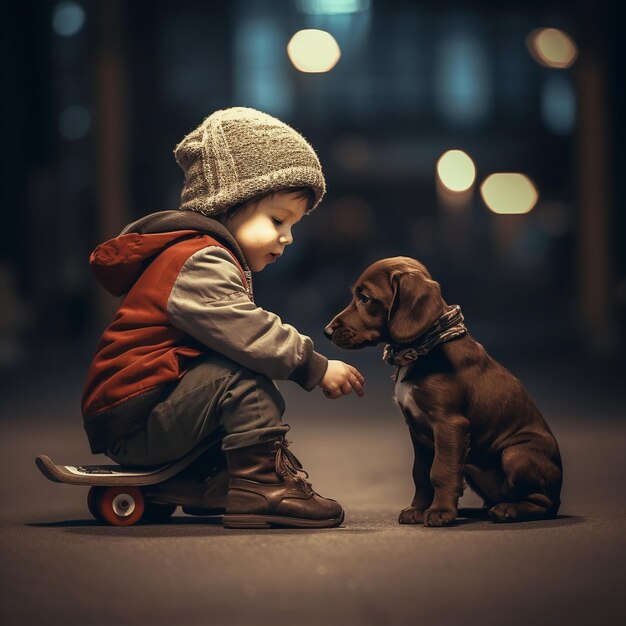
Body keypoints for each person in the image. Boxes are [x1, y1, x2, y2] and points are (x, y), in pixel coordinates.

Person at [81, 107, 365, 528]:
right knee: (243, 379)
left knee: (227, 371)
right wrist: (314, 365)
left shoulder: (201, 255)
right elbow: (248, 331)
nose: (288, 236)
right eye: (278, 219)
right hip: (137, 418)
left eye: (294, 225)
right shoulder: (199, 259)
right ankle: (260, 486)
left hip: (144, 411)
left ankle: (212, 478)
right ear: (228, 201)